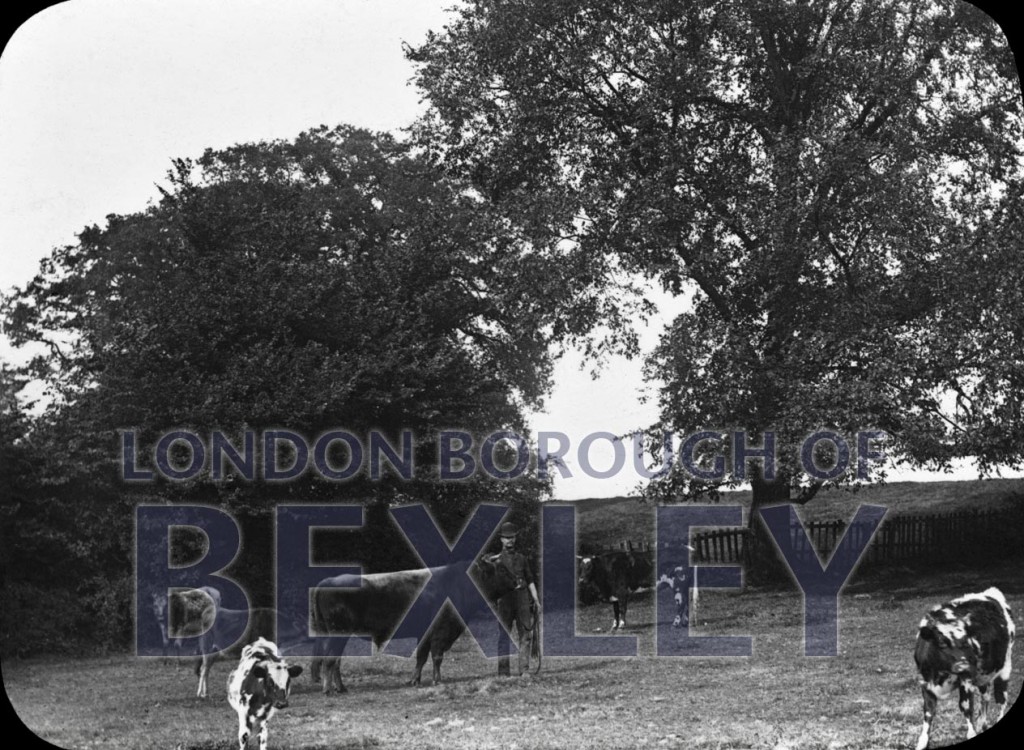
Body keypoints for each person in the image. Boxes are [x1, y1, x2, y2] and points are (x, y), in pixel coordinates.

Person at [489, 521, 541, 676]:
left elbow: (530, 579)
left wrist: (536, 600)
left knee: (526, 635)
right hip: (504, 600)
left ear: (516, 538)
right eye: (506, 537)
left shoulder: (522, 559)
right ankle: (503, 672)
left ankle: (524, 670)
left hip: (522, 599)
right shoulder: (495, 560)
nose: (509, 540)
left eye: (512, 537)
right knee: (503, 636)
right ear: (501, 539)